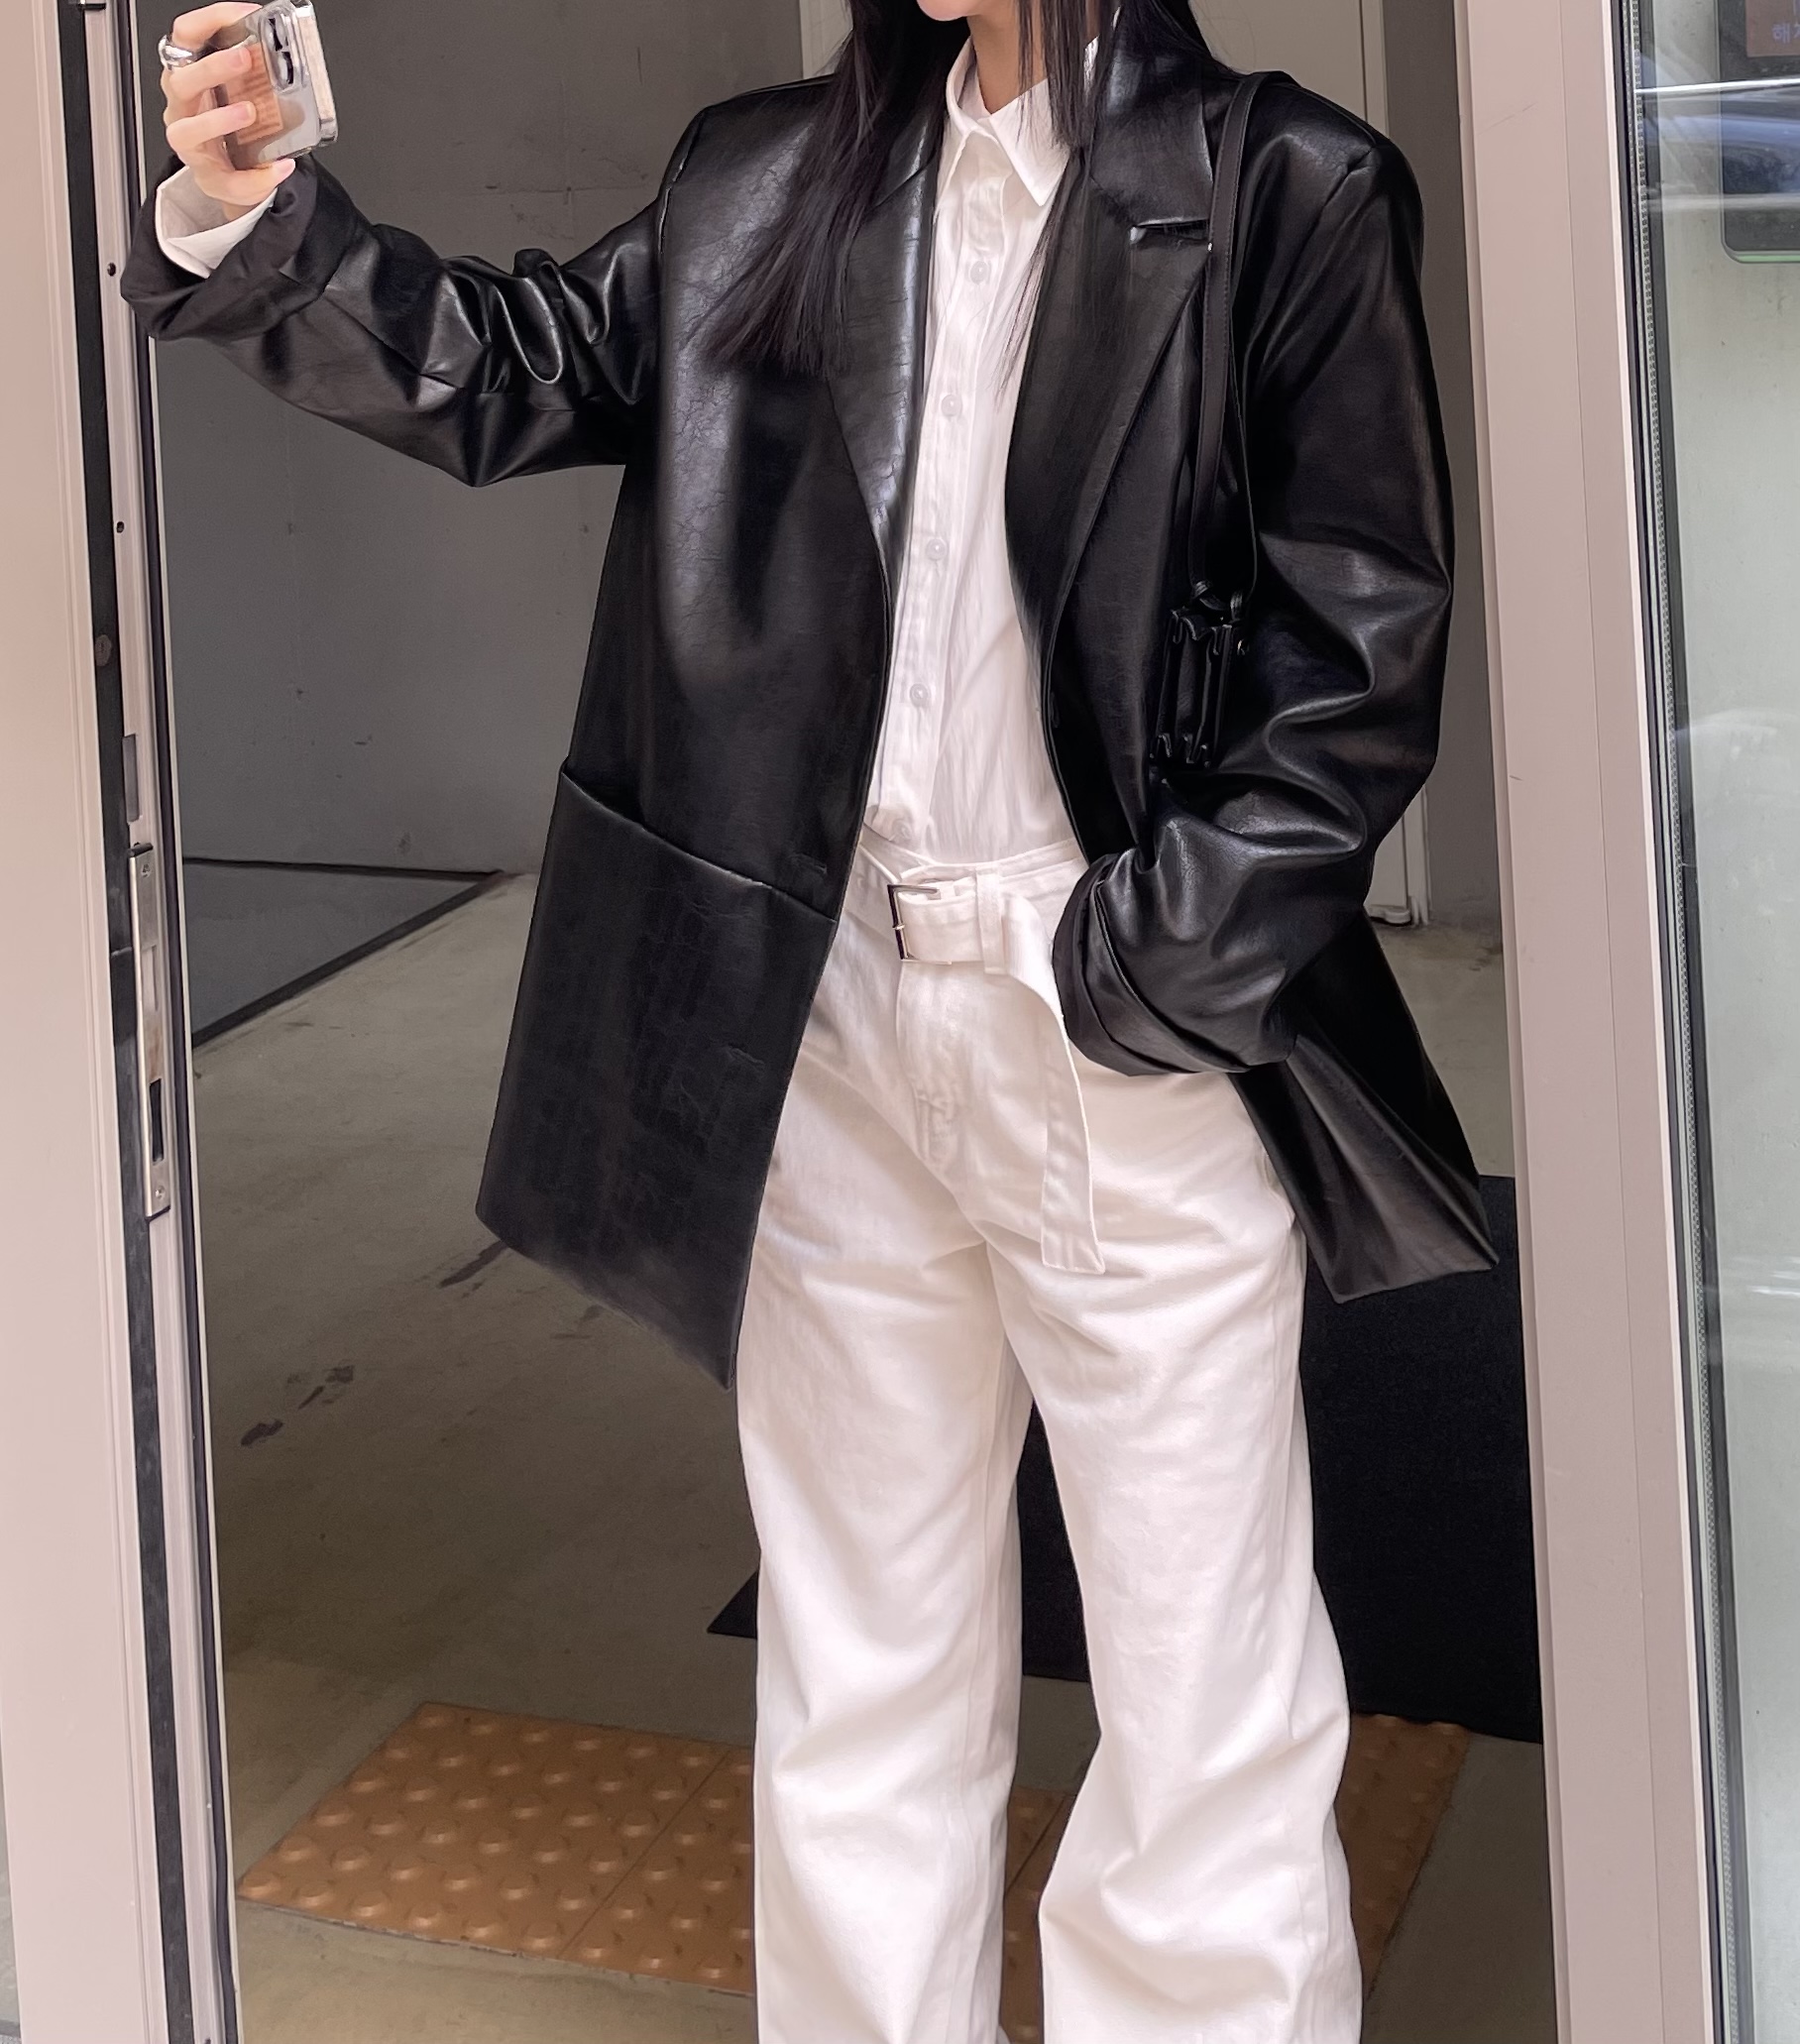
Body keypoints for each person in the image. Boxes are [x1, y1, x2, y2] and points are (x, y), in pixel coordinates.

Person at [126, 0, 1493, 2036]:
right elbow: (505, 364)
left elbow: (1357, 657)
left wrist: (1146, 965)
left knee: (1201, 1694)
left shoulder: (1284, 189)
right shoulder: (770, 176)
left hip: (1112, 1039)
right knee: (860, 1668)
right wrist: (260, 212)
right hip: (831, 1024)